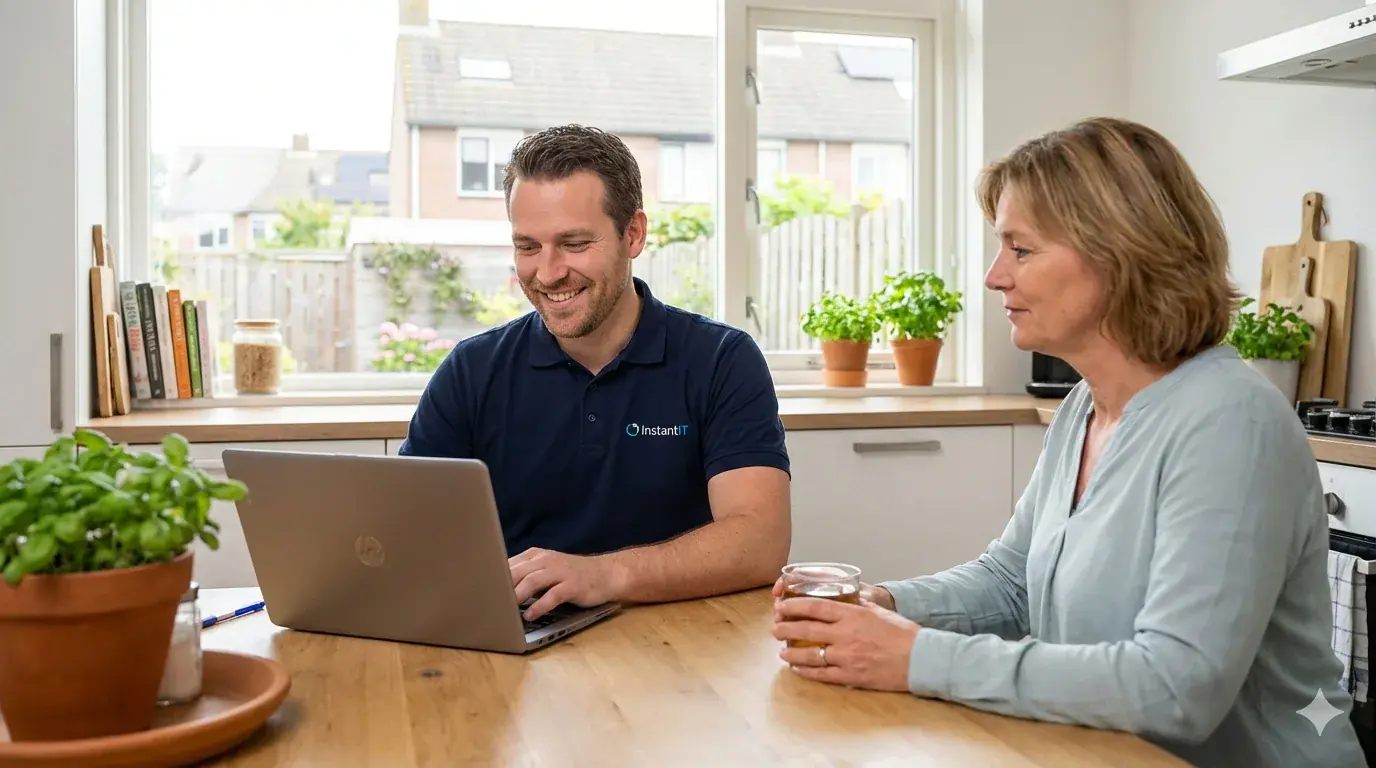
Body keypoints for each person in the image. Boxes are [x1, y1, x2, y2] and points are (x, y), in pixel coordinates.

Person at [770, 117, 1366, 767]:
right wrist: (884, 604)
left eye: (1020, 250)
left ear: (1121, 254)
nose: (996, 276)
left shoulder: (1230, 424)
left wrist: (913, 657)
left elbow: (1176, 688)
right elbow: (1012, 584)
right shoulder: (1087, 404)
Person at [400, 124, 792, 622]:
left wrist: (603, 576)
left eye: (574, 243)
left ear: (633, 234)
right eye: (527, 247)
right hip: (521, 648)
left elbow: (759, 543)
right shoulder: (471, 371)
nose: (548, 273)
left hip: (683, 650)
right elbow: (407, 537)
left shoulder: (721, 360)